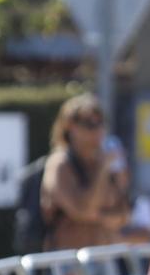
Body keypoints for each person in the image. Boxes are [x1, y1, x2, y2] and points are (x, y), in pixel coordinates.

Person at [43, 95, 131, 253]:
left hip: (103, 259)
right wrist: (102, 170)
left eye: (100, 124)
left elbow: (124, 215)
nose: (98, 131)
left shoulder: (105, 162)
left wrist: (115, 171)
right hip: (67, 263)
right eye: (89, 125)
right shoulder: (59, 164)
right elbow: (83, 211)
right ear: (69, 127)